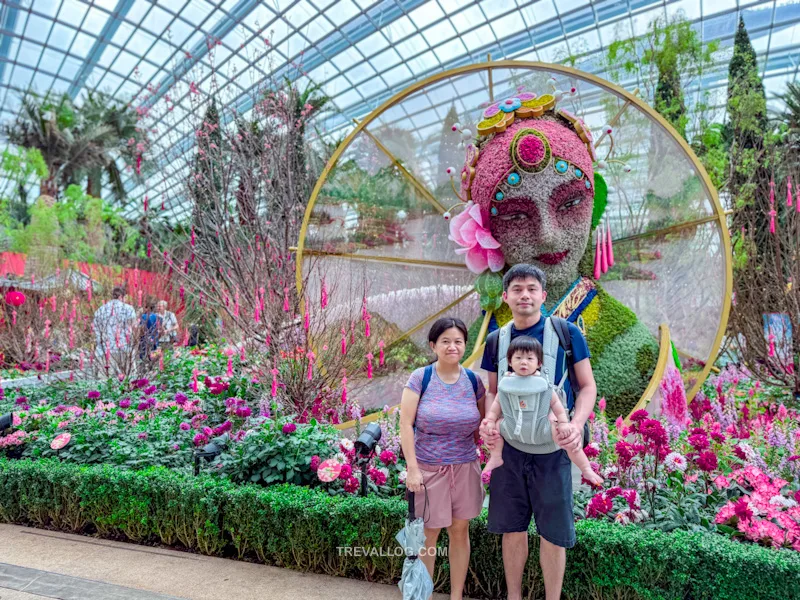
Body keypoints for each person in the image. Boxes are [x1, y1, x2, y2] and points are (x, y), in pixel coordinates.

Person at [479, 264, 597, 600]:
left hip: (552, 449)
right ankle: (514, 596)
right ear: (505, 297)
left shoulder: (566, 333)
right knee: (512, 528)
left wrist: (575, 425)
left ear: (544, 295)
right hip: (511, 450)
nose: (525, 295)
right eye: (517, 289)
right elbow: (492, 391)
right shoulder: (495, 341)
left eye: (532, 288)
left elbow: (587, 386)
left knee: (553, 533)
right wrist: (488, 424)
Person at [400, 317, 486, 600]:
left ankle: (456, 596)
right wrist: (412, 469)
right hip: (428, 469)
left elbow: (483, 425)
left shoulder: (474, 381)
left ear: (465, 345)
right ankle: (422, 595)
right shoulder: (420, 378)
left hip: (465, 468)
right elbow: (405, 425)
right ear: (433, 345)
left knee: (460, 531)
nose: (452, 346)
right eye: (445, 341)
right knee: (430, 534)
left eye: (458, 341)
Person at [481, 335, 603, 486]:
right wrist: (490, 421)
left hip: (541, 426)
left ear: (539, 363)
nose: (523, 362)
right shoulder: (506, 383)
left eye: (529, 358)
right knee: (495, 428)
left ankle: (586, 468)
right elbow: (496, 405)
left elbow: (557, 406)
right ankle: (495, 456)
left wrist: (564, 423)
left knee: (566, 437)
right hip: (513, 427)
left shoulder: (543, 384)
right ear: (510, 362)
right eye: (518, 358)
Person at [92, 286, 136, 373]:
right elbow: (133, 326)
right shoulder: (128, 309)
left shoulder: (100, 310)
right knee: (128, 377)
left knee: (107, 379)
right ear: (121, 297)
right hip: (124, 347)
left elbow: (95, 328)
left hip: (105, 349)